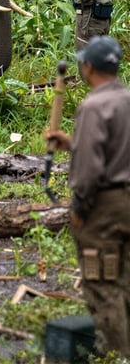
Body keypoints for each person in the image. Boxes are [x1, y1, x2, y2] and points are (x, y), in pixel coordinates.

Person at [47, 35, 130, 357]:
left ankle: (118, 355)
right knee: (124, 278)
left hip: (106, 207)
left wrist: (79, 207)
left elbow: (90, 170)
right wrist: (71, 143)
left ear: (88, 67)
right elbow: (114, 149)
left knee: (103, 284)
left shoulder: (94, 106)